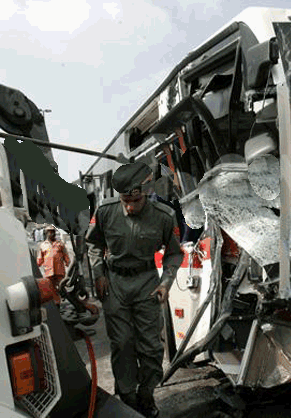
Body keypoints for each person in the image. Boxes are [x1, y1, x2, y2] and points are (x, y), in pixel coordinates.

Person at [85, 162, 183, 418]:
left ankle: (146, 396)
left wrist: (166, 282)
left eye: (135, 200)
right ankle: (127, 399)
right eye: (124, 201)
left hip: (147, 284)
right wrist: (98, 274)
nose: (129, 207)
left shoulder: (163, 215)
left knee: (151, 347)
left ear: (145, 191)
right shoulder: (106, 211)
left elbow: (174, 254)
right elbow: (93, 244)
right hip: (115, 285)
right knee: (122, 344)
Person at [37, 225, 70, 305]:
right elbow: (40, 259)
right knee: (51, 288)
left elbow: (65, 255)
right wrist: (37, 264)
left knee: (61, 286)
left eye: (53, 232)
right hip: (49, 271)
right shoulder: (43, 245)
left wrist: (67, 262)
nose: (53, 234)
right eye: (50, 232)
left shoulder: (60, 244)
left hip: (59, 270)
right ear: (46, 233)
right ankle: (56, 303)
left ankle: (65, 299)